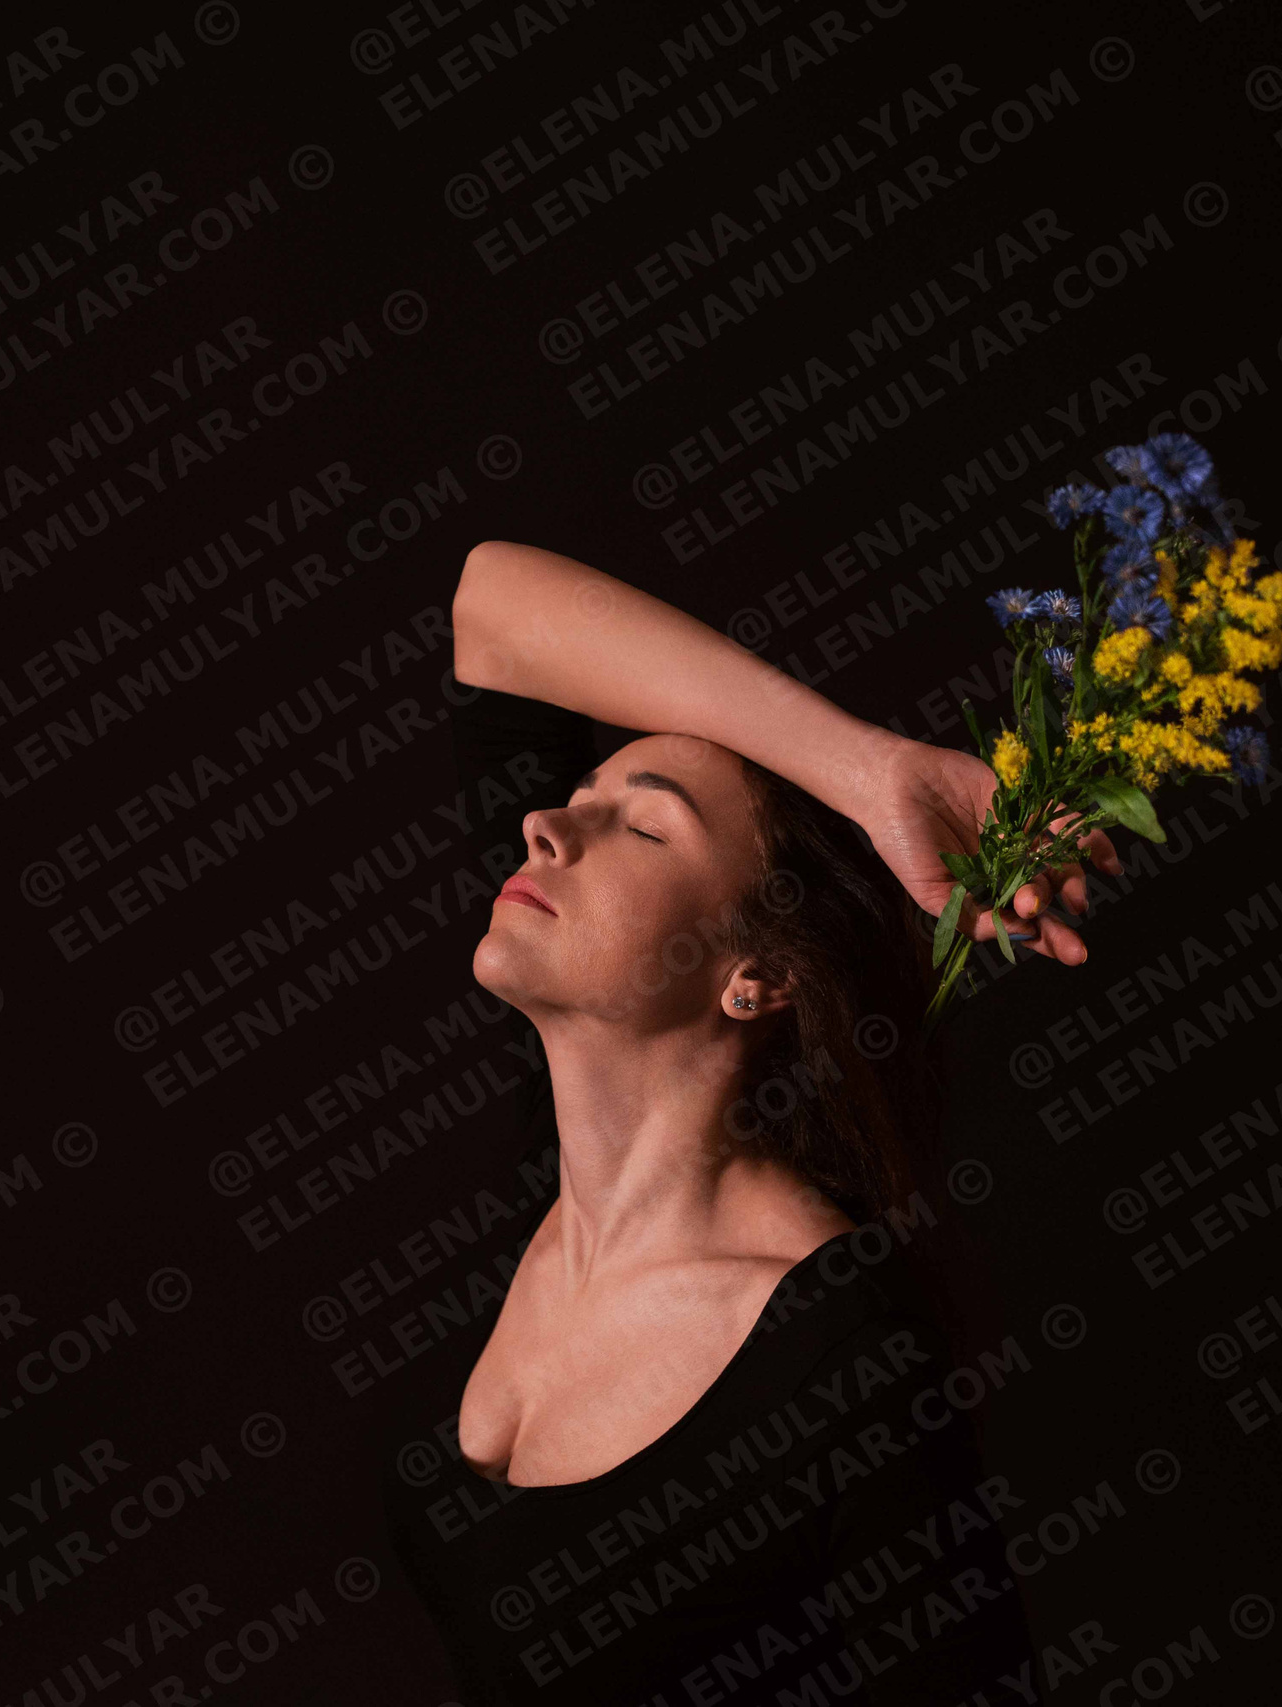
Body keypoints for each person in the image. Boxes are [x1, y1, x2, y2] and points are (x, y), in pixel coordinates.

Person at [378, 540, 1119, 1705]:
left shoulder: (841, 1366)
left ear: (754, 977)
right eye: (579, 797)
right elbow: (495, 607)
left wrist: (868, 792)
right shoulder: (560, 1172)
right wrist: (869, 769)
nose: (546, 827)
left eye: (646, 827)